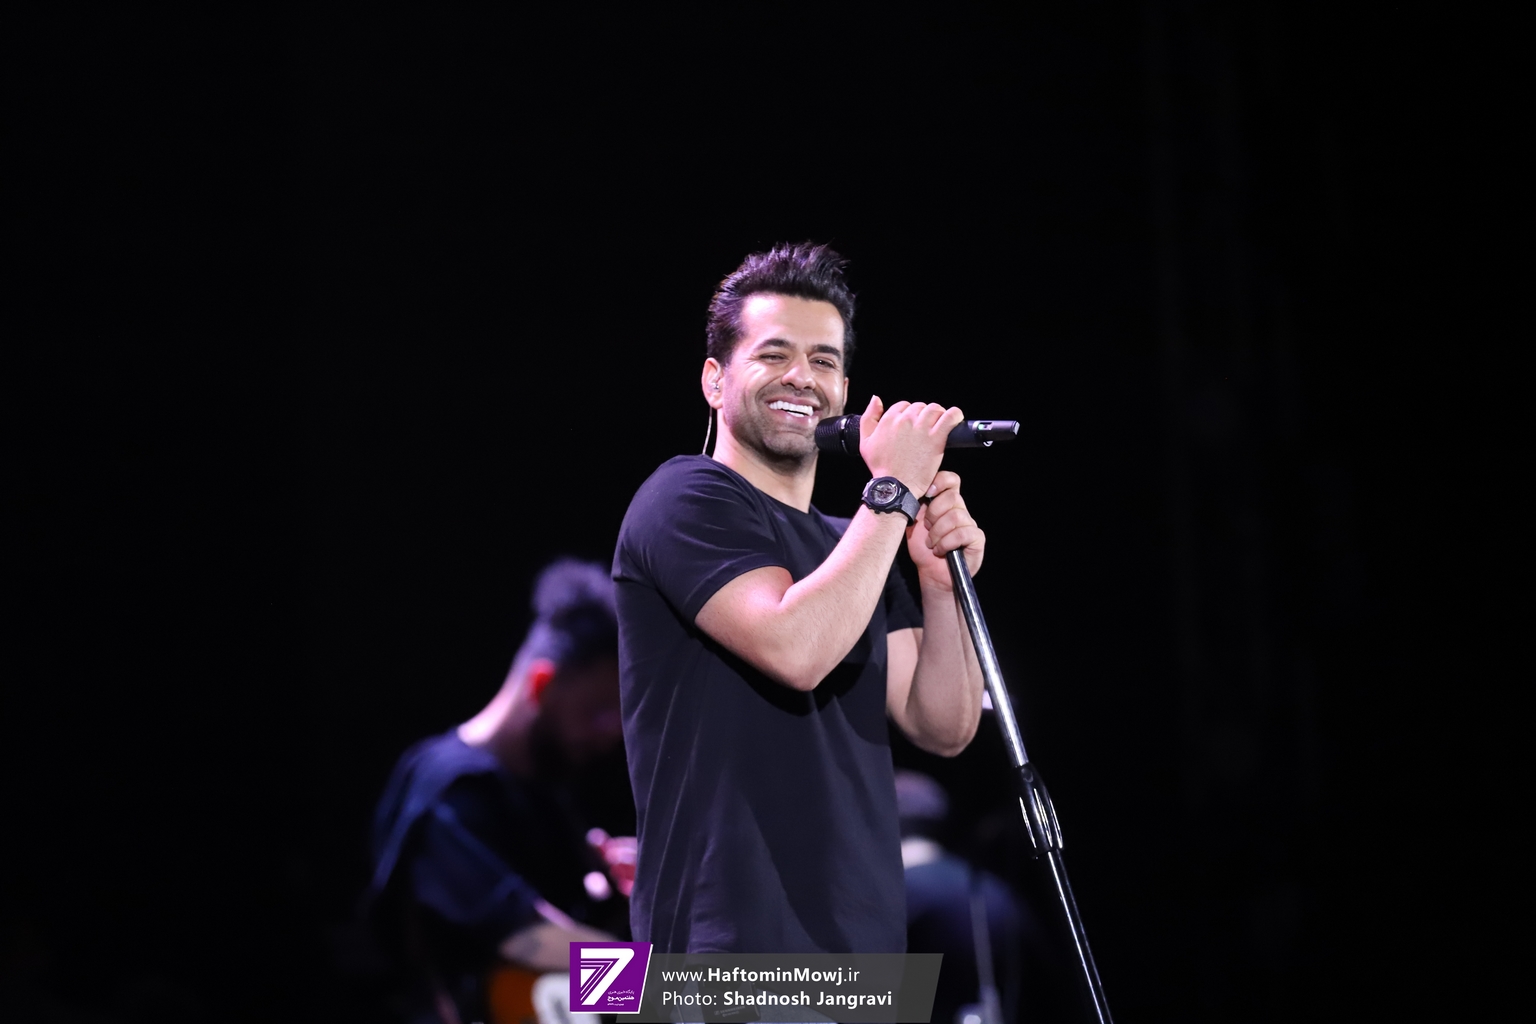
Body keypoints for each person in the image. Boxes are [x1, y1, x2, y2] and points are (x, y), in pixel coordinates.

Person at [613, 242, 989, 955]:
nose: (801, 377)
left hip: (864, 953)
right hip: (722, 947)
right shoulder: (682, 496)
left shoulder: (857, 542)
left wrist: (941, 587)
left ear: (845, 390)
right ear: (715, 380)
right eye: (773, 354)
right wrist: (893, 494)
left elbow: (944, 726)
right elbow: (795, 650)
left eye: (823, 360)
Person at [366, 559, 635, 1024]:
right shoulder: (447, 793)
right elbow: (528, 941)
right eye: (597, 710)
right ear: (541, 684)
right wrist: (688, 987)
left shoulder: (545, 790)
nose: (611, 732)